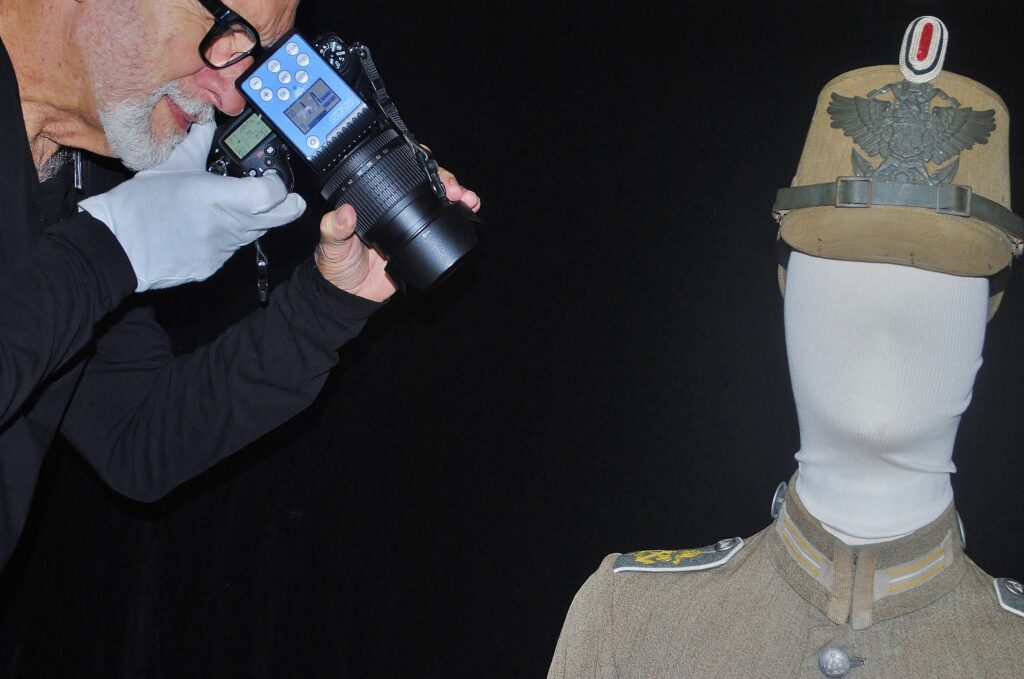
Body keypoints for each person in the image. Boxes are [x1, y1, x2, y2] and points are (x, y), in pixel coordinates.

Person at [547, 17, 1024, 678]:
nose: (887, 314)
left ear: (984, 324)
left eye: (938, 280)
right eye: (844, 270)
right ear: (789, 297)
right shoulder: (630, 624)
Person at [0, 0, 480, 569]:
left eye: (249, 63)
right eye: (224, 39)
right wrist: (106, 253)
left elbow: (136, 435)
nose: (229, 100)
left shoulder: (79, 180)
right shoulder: (95, 234)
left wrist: (326, 305)